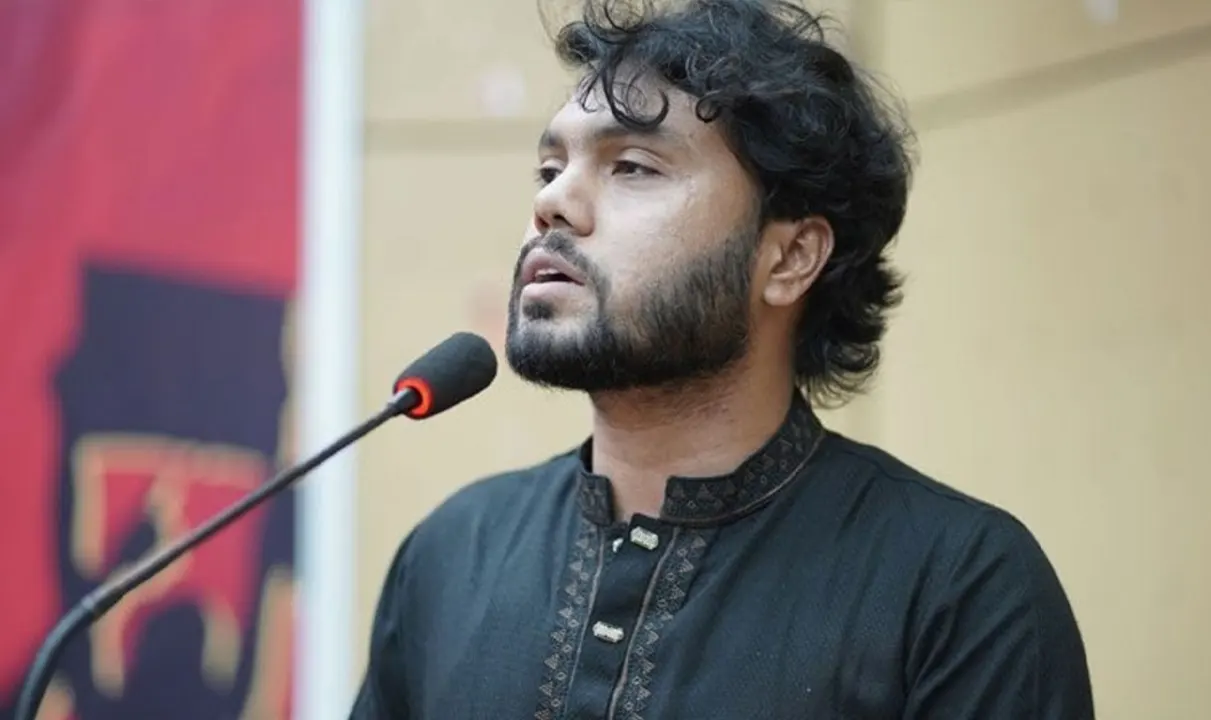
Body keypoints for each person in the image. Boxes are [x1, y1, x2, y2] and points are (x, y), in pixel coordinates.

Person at [350, 0, 1095, 717]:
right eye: (549, 171)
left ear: (790, 258)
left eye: (632, 166)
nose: (553, 205)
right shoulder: (451, 555)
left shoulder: (958, 584)